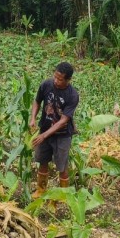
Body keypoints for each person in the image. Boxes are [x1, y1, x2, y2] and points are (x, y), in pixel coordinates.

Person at [29, 62, 79, 198]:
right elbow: (37, 101)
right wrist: (33, 118)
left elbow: (63, 121)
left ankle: (63, 196)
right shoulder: (46, 84)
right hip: (45, 129)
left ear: (68, 80)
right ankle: (41, 190)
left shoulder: (72, 95)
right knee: (42, 160)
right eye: (55, 77)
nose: (56, 81)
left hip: (62, 135)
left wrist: (44, 135)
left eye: (60, 79)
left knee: (62, 166)